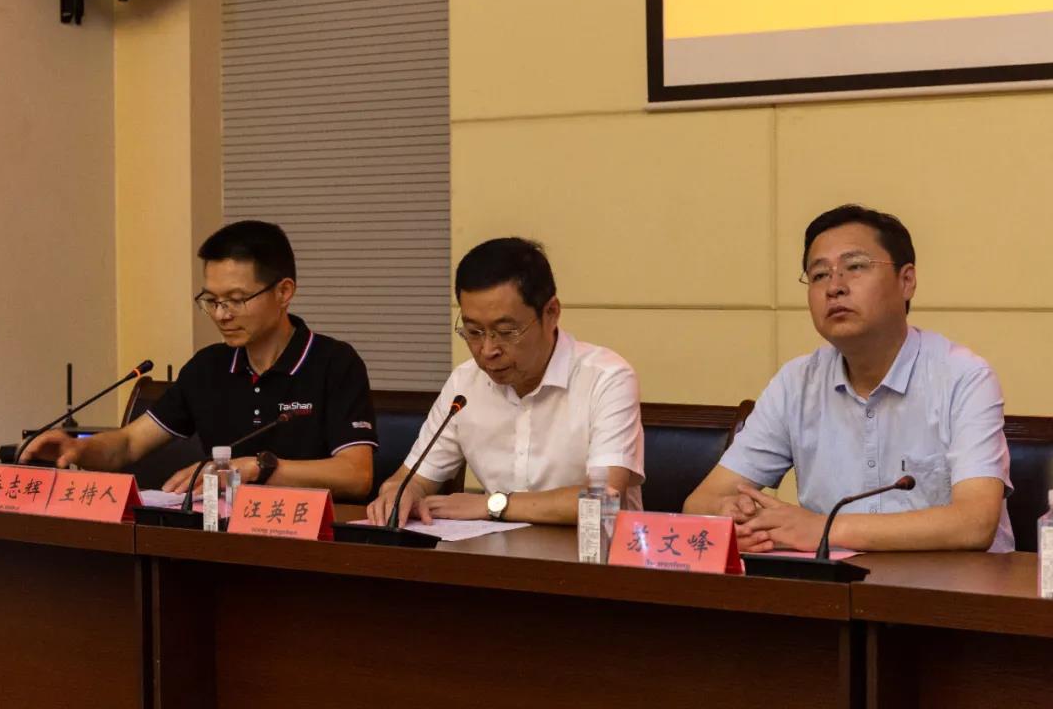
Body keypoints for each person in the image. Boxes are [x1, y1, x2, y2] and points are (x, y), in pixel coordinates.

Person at [683, 205, 1013, 552]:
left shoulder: (963, 376)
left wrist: (823, 529)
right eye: (819, 275)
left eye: (855, 267)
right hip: (834, 584)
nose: (834, 287)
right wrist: (733, 517)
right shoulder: (796, 383)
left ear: (906, 281)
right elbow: (699, 503)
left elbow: (974, 523)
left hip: (953, 583)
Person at [22, 220, 376, 500]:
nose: (221, 314)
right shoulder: (208, 367)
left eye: (236, 299)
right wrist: (77, 448)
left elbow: (356, 475)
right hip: (216, 540)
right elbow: (129, 444)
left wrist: (255, 468)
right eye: (212, 300)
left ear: (283, 292)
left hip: (307, 544)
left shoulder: (334, 363)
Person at [367, 237, 644, 526]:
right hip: (497, 551)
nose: (488, 350)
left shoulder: (606, 377)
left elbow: (601, 501)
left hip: (591, 551)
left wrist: (492, 504)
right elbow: (411, 479)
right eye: (474, 332)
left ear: (551, 313)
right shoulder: (465, 383)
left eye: (506, 332)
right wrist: (399, 493)